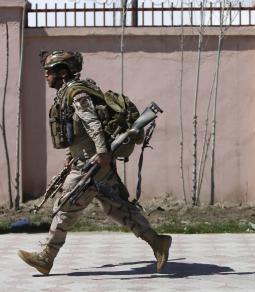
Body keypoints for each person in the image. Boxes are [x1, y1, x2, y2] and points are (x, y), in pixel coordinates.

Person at [17, 50, 171, 275]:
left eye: (49, 72)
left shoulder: (77, 93)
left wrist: (101, 153)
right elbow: (78, 133)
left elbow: (93, 125)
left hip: (92, 163)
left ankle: (46, 257)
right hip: (90, 160)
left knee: (65, 206)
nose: (46, 76)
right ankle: (157, 242)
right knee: (117, 208)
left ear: (62, 72)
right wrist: (71, 157)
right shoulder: (68, 92)